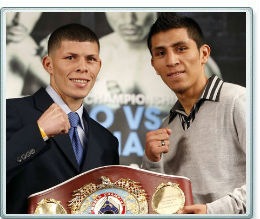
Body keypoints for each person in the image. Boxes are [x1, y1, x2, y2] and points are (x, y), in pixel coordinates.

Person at [6, 23, 119, 214]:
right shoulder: (10, 111)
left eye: (90, 59)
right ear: (48, 64)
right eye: (70, 58)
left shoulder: (107, 140)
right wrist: (38, 132)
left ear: (98, 66)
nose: (82, 68)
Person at [142, 13, 246, 214]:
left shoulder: (239, 100)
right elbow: (157, 203)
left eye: (181, 49)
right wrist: (151, 162)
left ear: (204, 54)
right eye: (161, 53)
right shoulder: (167, 125)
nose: (172, 61)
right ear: (154, 64)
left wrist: (212, 212)